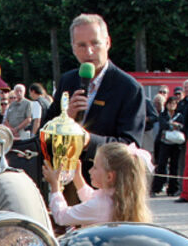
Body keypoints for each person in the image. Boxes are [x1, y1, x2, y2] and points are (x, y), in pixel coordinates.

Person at [43, 13, 145, 169]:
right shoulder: (67, 81)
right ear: (73, 48)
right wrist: (65, 119)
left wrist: (87, 141)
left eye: (95, 43)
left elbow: (129, 146)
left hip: (106, 183)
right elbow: (44, 130)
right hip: (65, 177)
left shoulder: (129, 88)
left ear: (108, 43)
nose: (89, 52)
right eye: (82, 45)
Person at [41, 141, 153, 227]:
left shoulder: (100, 205)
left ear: (109, 177)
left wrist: (55, 187)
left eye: (95, 167)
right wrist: (78, 178)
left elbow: (62, 217)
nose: (90, 171)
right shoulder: (120, 199)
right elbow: (91, 197)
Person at [151, 95, 182, 197]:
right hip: (164, 143)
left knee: (174, 166)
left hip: (176, 144)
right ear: (167, 104)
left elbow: (182, 126)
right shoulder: (163, 115)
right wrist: (174, 125)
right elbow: (164, 125)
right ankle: (157, 187)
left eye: (174, 104)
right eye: (170, 104)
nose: (172, 106)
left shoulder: (180, 115)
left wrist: (173, 125)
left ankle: (173, 189)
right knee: (161, 165)